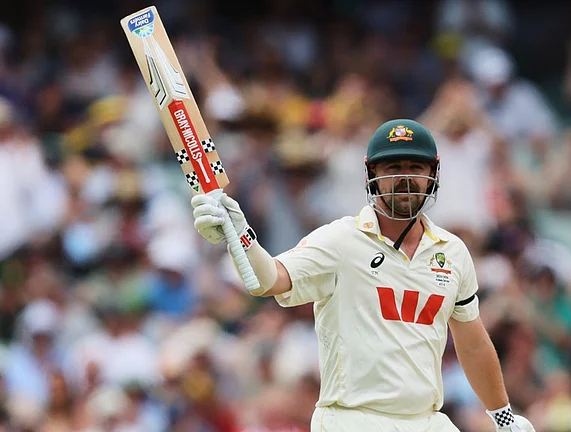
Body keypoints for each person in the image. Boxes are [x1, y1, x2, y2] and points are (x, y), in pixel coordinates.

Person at [190, 119, 535, 432]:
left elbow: (472, 343)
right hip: (352, 419)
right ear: (371, 174)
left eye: (416, 167)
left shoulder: (453, 252)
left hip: (426, 421)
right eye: (392, 167)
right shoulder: (341, 240)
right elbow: (268, 280)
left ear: (434, 175)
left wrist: (503, 417)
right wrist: (239, 237)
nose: (405, 177)